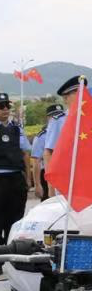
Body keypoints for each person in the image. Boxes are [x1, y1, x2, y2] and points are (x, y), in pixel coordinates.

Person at [44, 76, 87, 196]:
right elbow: (48, 154)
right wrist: (50, 187)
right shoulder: (58, 121)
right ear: (65, 98)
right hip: (67, 180)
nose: (82, 95)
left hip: (90, 179)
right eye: (77, 93)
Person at [0, 93, 31, 245]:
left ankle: (8, 250)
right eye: (1, 106)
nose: (5, 109)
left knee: (15, 219)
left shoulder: (17, 129)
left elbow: (25, 153)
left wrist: (29, 179)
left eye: (7, 106)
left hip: (16, 179)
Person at [31, 104, 64, 201]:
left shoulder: (67, 132)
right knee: (49, 206)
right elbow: (36, 161)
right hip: (47, 174)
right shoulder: (41, 136)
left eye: (59, 115)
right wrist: (37, 184)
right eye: (53, 116)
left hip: (65, 173)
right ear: (48, 118)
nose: (56, 119)